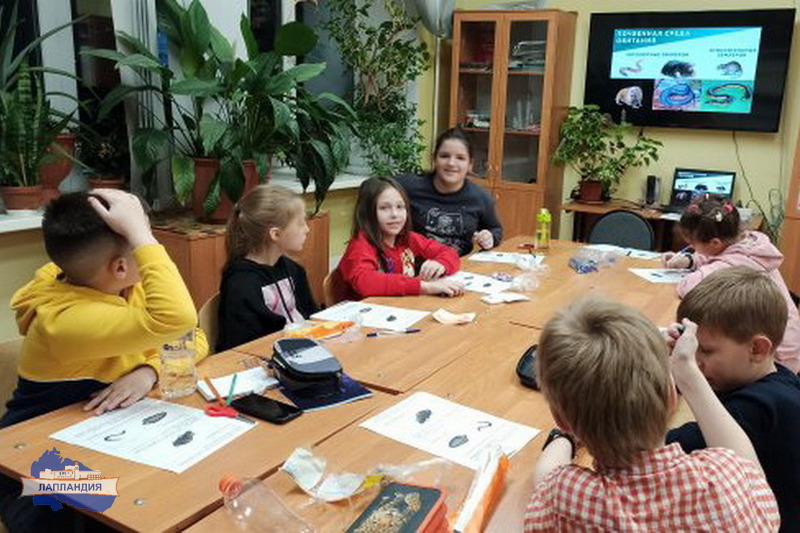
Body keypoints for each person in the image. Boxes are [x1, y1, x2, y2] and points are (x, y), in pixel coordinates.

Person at [1, 190, 206, 532]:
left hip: (99, 439)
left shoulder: (121, 284)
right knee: (131, 508)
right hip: (33, 473)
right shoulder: (64, 322)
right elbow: (178, 319)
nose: (152, 250)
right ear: (121, 266)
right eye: (146, 242)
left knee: (180, 488)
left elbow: (192, 336)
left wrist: (148, 371)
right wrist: (140, 235)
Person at [524, 298, 779, 531]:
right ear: (672, 398)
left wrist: (562, 438)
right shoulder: (727, 481)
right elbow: (750, 469)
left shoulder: (565, 497)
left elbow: (546, 476)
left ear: (561, 420)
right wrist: (688, 374)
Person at [666, 267, 800, 530]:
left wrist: (681, 375)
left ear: (757, 348)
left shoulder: (757, 408)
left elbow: (657, 448)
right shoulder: (779, 378)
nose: (695, 360)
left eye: (705, 350)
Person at [662, 195, 800, 372]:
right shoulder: (750, 244)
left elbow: (689, 286)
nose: (691, 248)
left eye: (692, 245)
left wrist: (692, 263)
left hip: (777, 360)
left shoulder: (737, 263)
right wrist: (690, 260)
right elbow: (719, 256)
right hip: (785, 343)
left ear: (715, 243)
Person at [217, 185, 318, 351]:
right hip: (263, 358)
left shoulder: (293, 270)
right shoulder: (242, 284)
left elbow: (310, 317)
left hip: (302, 350)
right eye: (300, 223)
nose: (306, 229)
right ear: (276, 234)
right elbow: (246, 345)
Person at [339, 177, 463, 298]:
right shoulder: (360, 245)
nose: (395, 214)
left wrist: (441, 264)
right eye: (384, 208)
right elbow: (365, 282)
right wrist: (425, 287)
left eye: (400, 207)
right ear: (367, 213)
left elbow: (450, 252)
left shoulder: (407, 238)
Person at [395, 128, 502, 256]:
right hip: (415, 265)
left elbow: (496, 229)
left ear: (470, 164)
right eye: (444, 156)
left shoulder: (480, 198)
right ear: (434, 159)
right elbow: (376, 189)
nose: (451, 163)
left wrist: (489, 237)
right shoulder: (408, 186)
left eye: (460, 158)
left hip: (458, 265)